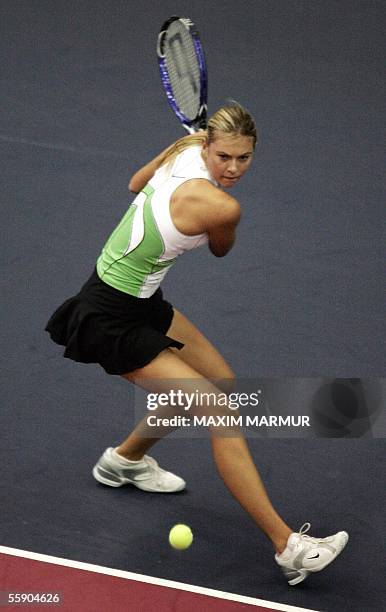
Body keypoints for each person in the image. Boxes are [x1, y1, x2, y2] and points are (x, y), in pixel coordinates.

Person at [45, 103, 348, 586]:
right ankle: (287, 546)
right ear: (208, 143)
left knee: (221, 384)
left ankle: (123, 461)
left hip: (141, 299)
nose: (232, 169)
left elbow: (134, 183)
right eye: (224, 156)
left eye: (243, 159)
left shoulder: (185, 149)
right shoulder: (223, 206)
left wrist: (183, 151)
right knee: (221, 413)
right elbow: (222, 249)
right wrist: (203, 185)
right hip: (108, 317)